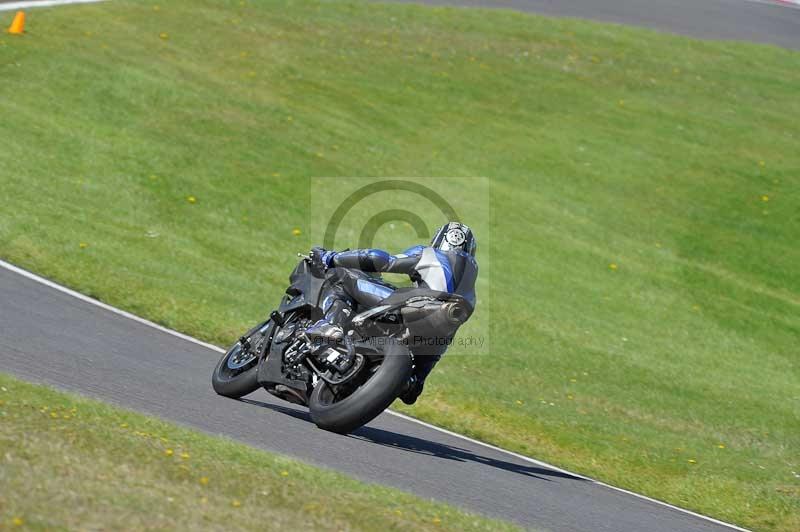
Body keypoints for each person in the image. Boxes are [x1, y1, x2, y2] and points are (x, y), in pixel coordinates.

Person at [305, 222, 478, 404]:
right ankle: (412, 379)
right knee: (426, 363)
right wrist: (420, 377)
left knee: (339, 274)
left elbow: (382, 260)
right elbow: (443, 342)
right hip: (439, 330)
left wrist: (331, 258)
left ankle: (330, 325)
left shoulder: (429, 253)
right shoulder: (470, 288)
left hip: (418, 303)